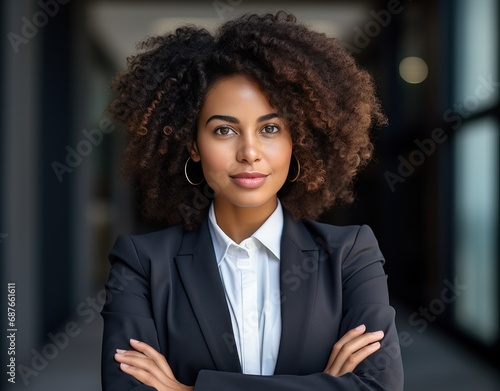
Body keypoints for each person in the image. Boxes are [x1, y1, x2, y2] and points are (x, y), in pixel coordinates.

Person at [100, 11, 404, 391]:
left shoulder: (350, 255)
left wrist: (189, 390)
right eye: (224, 130)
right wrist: (325, 384)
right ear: (193, 145)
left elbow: (378, 387)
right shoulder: (143, 263)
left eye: (270, 129)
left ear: (298, 142)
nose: (249, 152)